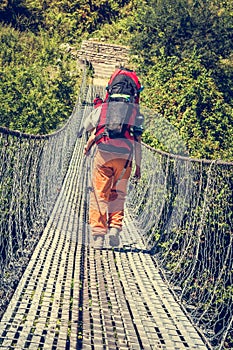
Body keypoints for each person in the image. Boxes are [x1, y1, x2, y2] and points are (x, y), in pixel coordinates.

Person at [83, 68, 144, 250]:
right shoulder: (136, 114)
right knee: (118, 195)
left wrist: (88, 143)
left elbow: (89, 127)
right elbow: (137, 142)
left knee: (99, 194)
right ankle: (115, 229)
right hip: (125, 159)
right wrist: (138, 168)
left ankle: (98, 236)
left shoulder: (103, 108)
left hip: (103, 155)